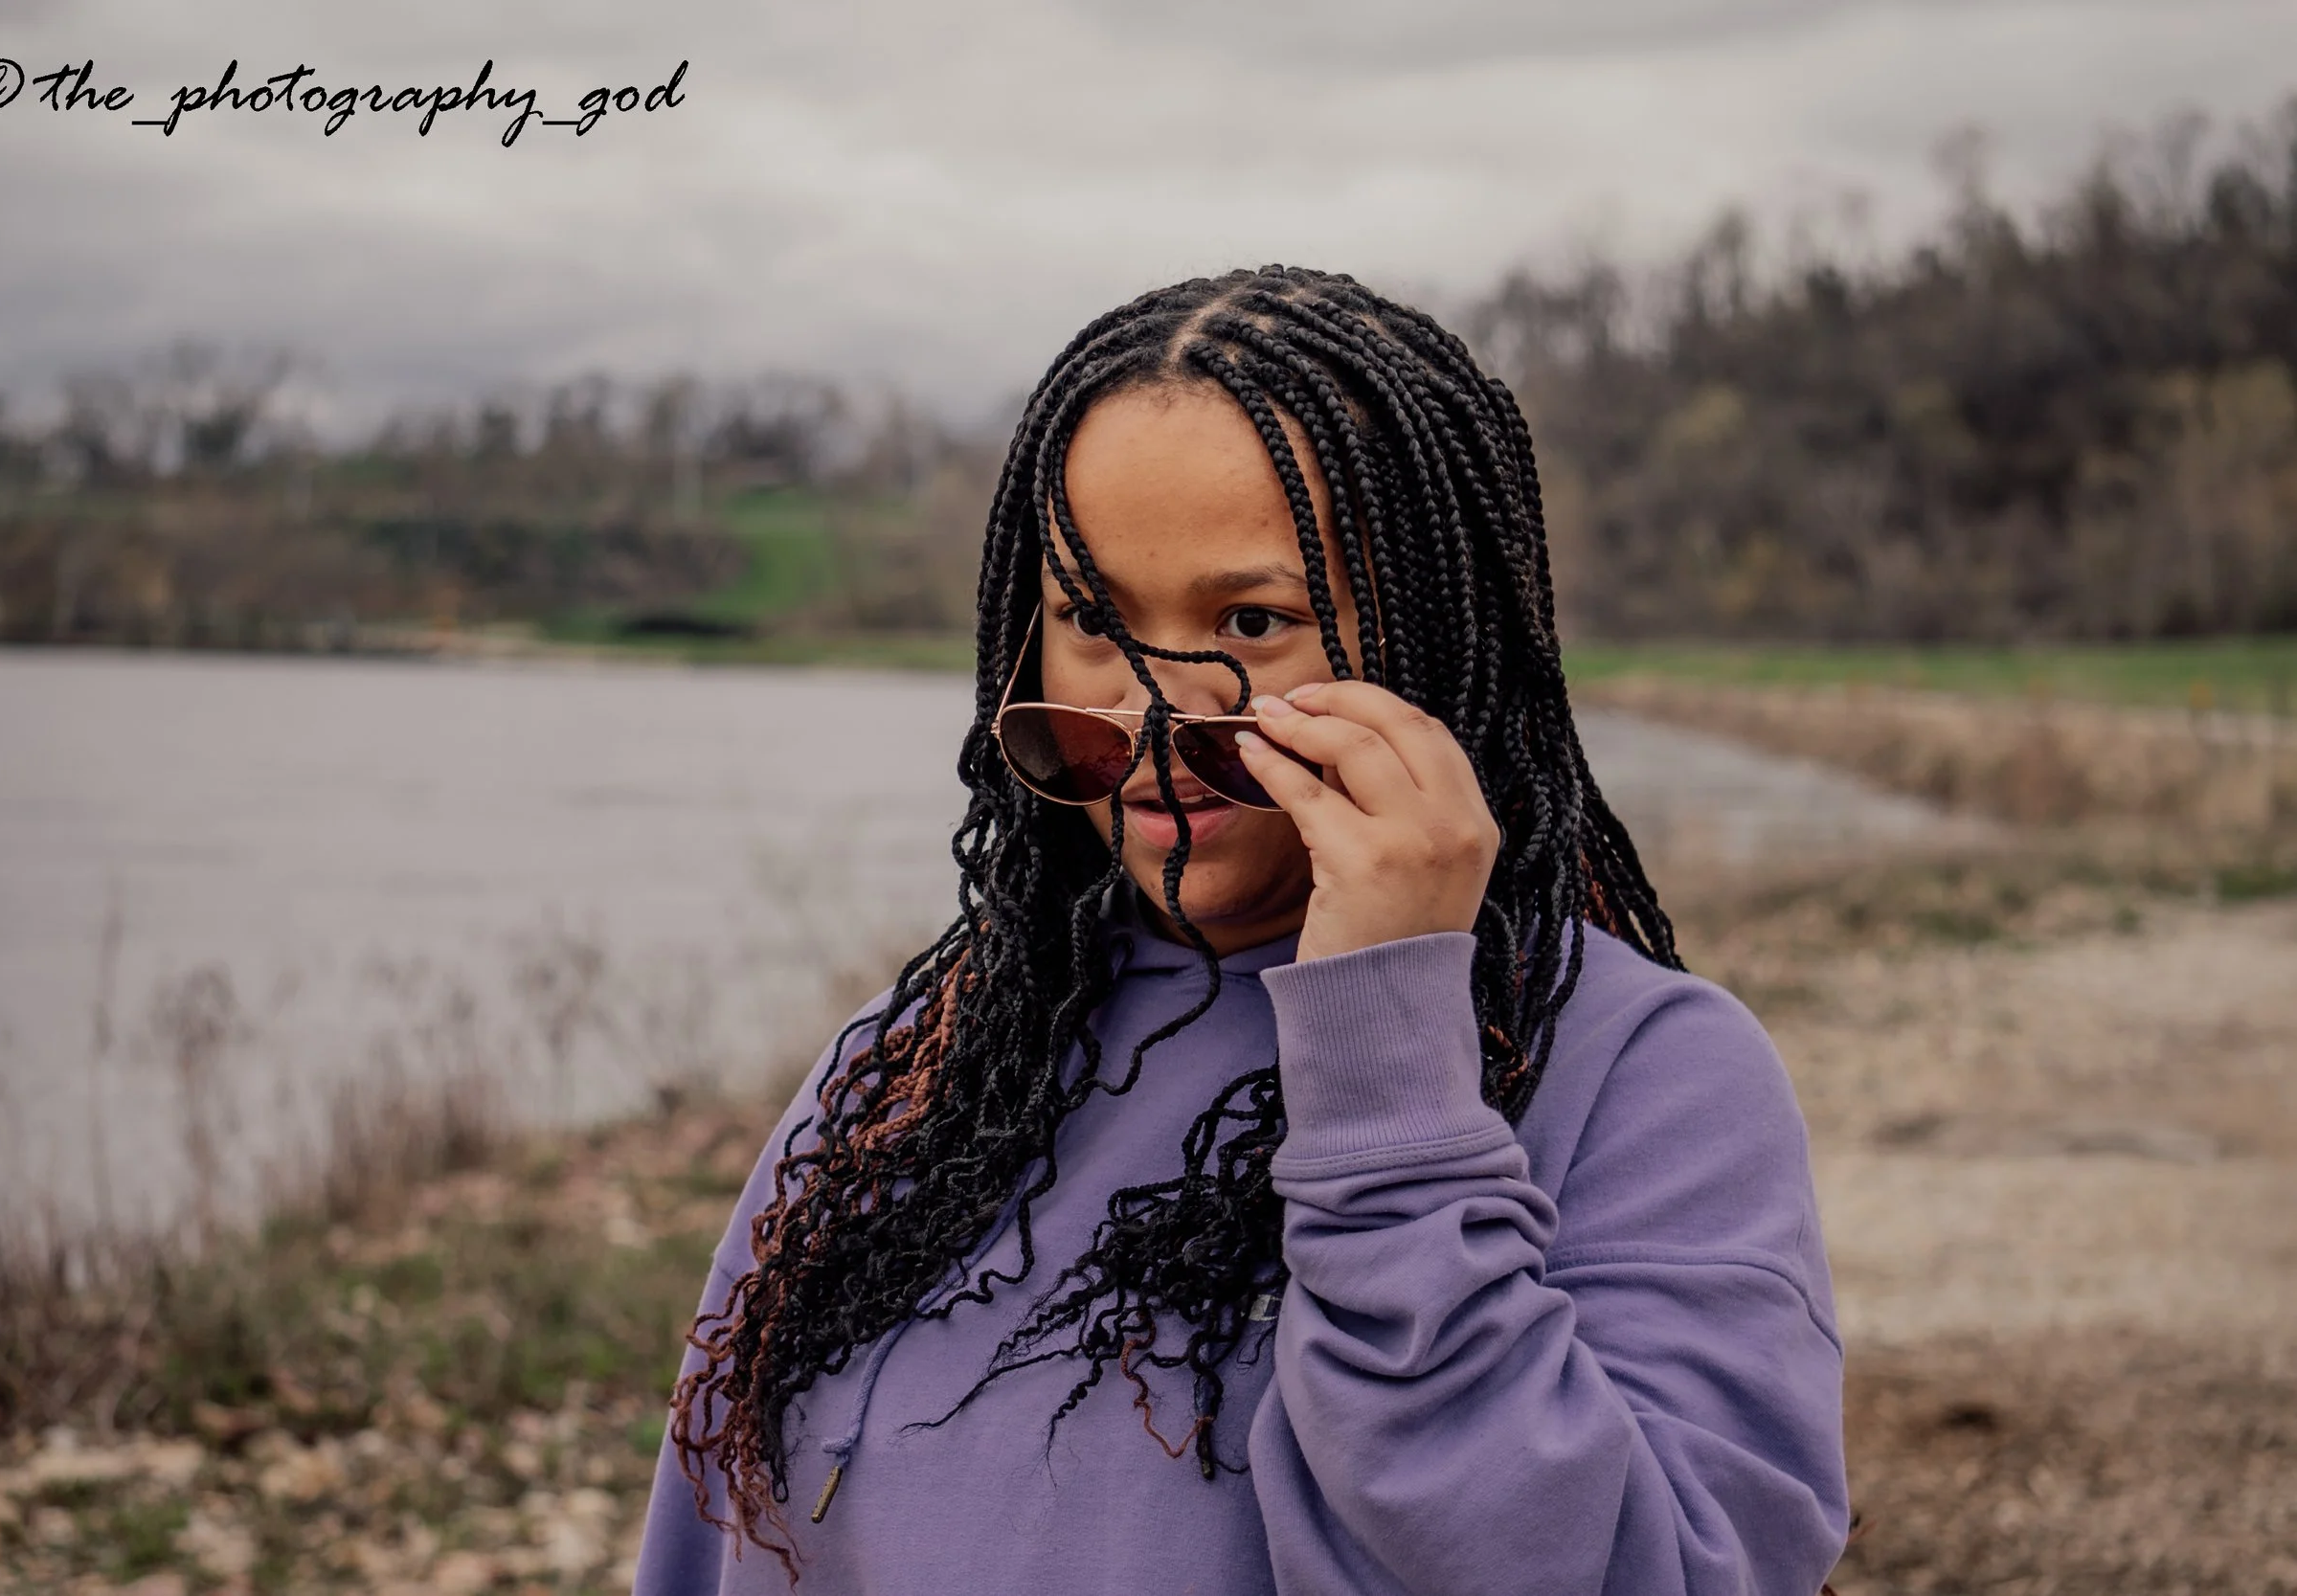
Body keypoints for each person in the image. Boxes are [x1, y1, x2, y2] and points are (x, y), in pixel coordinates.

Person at [632, 265, 1849, 1595]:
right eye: (1094, 622)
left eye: (1250, 622)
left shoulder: (1643, 1074)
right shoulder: (919, 1063)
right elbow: (713, 1540)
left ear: (1437, 645)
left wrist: (1388, 1058)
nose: (1155, 719)